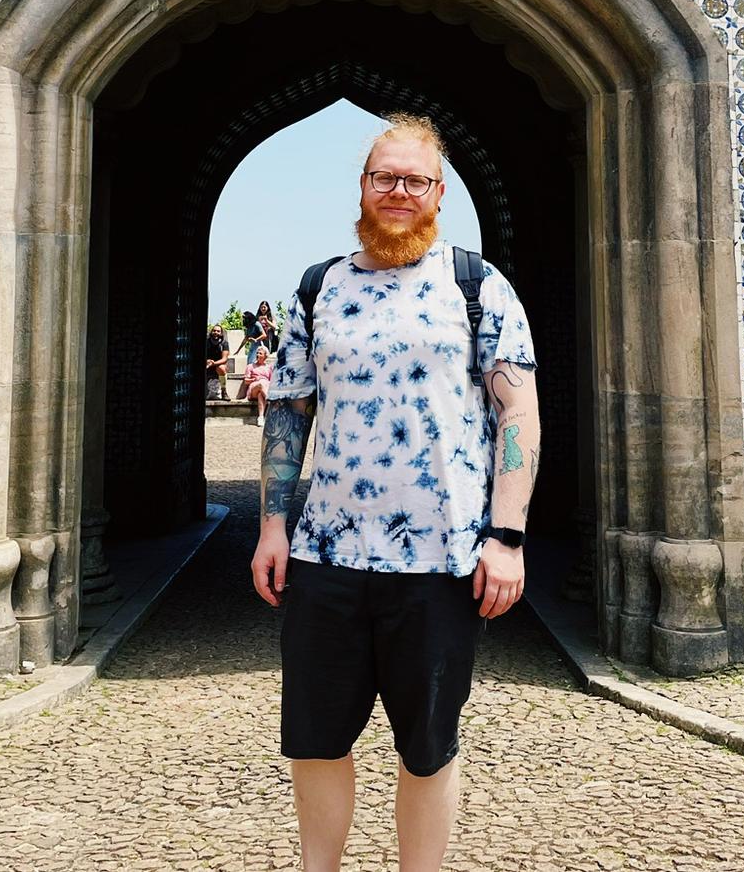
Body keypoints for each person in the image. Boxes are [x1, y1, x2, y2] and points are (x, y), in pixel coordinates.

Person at [251, 113, 539, 872]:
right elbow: (289, 408)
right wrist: (271, 526)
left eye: (415, 180)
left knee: (428, 746)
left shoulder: (477, 286)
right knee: (314, 739)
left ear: (439, 192)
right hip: (327, 555)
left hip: (442, 562)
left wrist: (505, 538)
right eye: (386, 178)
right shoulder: (320, 287)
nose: (399, 191)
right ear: (364, 187)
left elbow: (519, 412)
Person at [241, 343, 273, 425]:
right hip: (254, 388)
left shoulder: (269, 367)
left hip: (264, 388)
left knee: (260, 395)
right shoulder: (250, 366)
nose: (258, 355)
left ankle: (261, 417)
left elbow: (271, 381)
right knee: (261, 384)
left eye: (260, 353)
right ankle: (271, 402)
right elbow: (246, 381)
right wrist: (254, 379)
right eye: (257, 353)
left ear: (265, 356)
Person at [205, 322, 231, 401]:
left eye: (218, 331)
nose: (216, 333)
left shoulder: (224, 344)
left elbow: (224, 359)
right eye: (214, 331)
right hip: (207, 364)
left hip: (217, 366)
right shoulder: (206, 342)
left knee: (221, 368)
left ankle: (224, 391)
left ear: (221, 333)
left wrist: (213, 363)